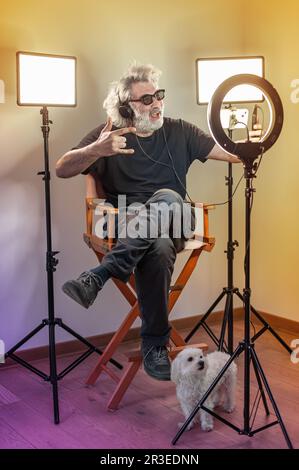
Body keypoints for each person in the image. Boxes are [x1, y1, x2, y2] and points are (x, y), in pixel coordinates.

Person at [56, 63, 240, 381]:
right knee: (158, 246)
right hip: (129, 226)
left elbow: (230, 153)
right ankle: (155, 345)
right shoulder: (109, 136)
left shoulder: (180, 130)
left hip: (177, 220)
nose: (156, 103)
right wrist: (95, 149)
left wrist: (256, 138)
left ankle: (99, 275)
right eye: (146, 99)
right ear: (126, 108)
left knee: (169, 198)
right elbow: (62, 168)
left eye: (158, 95)